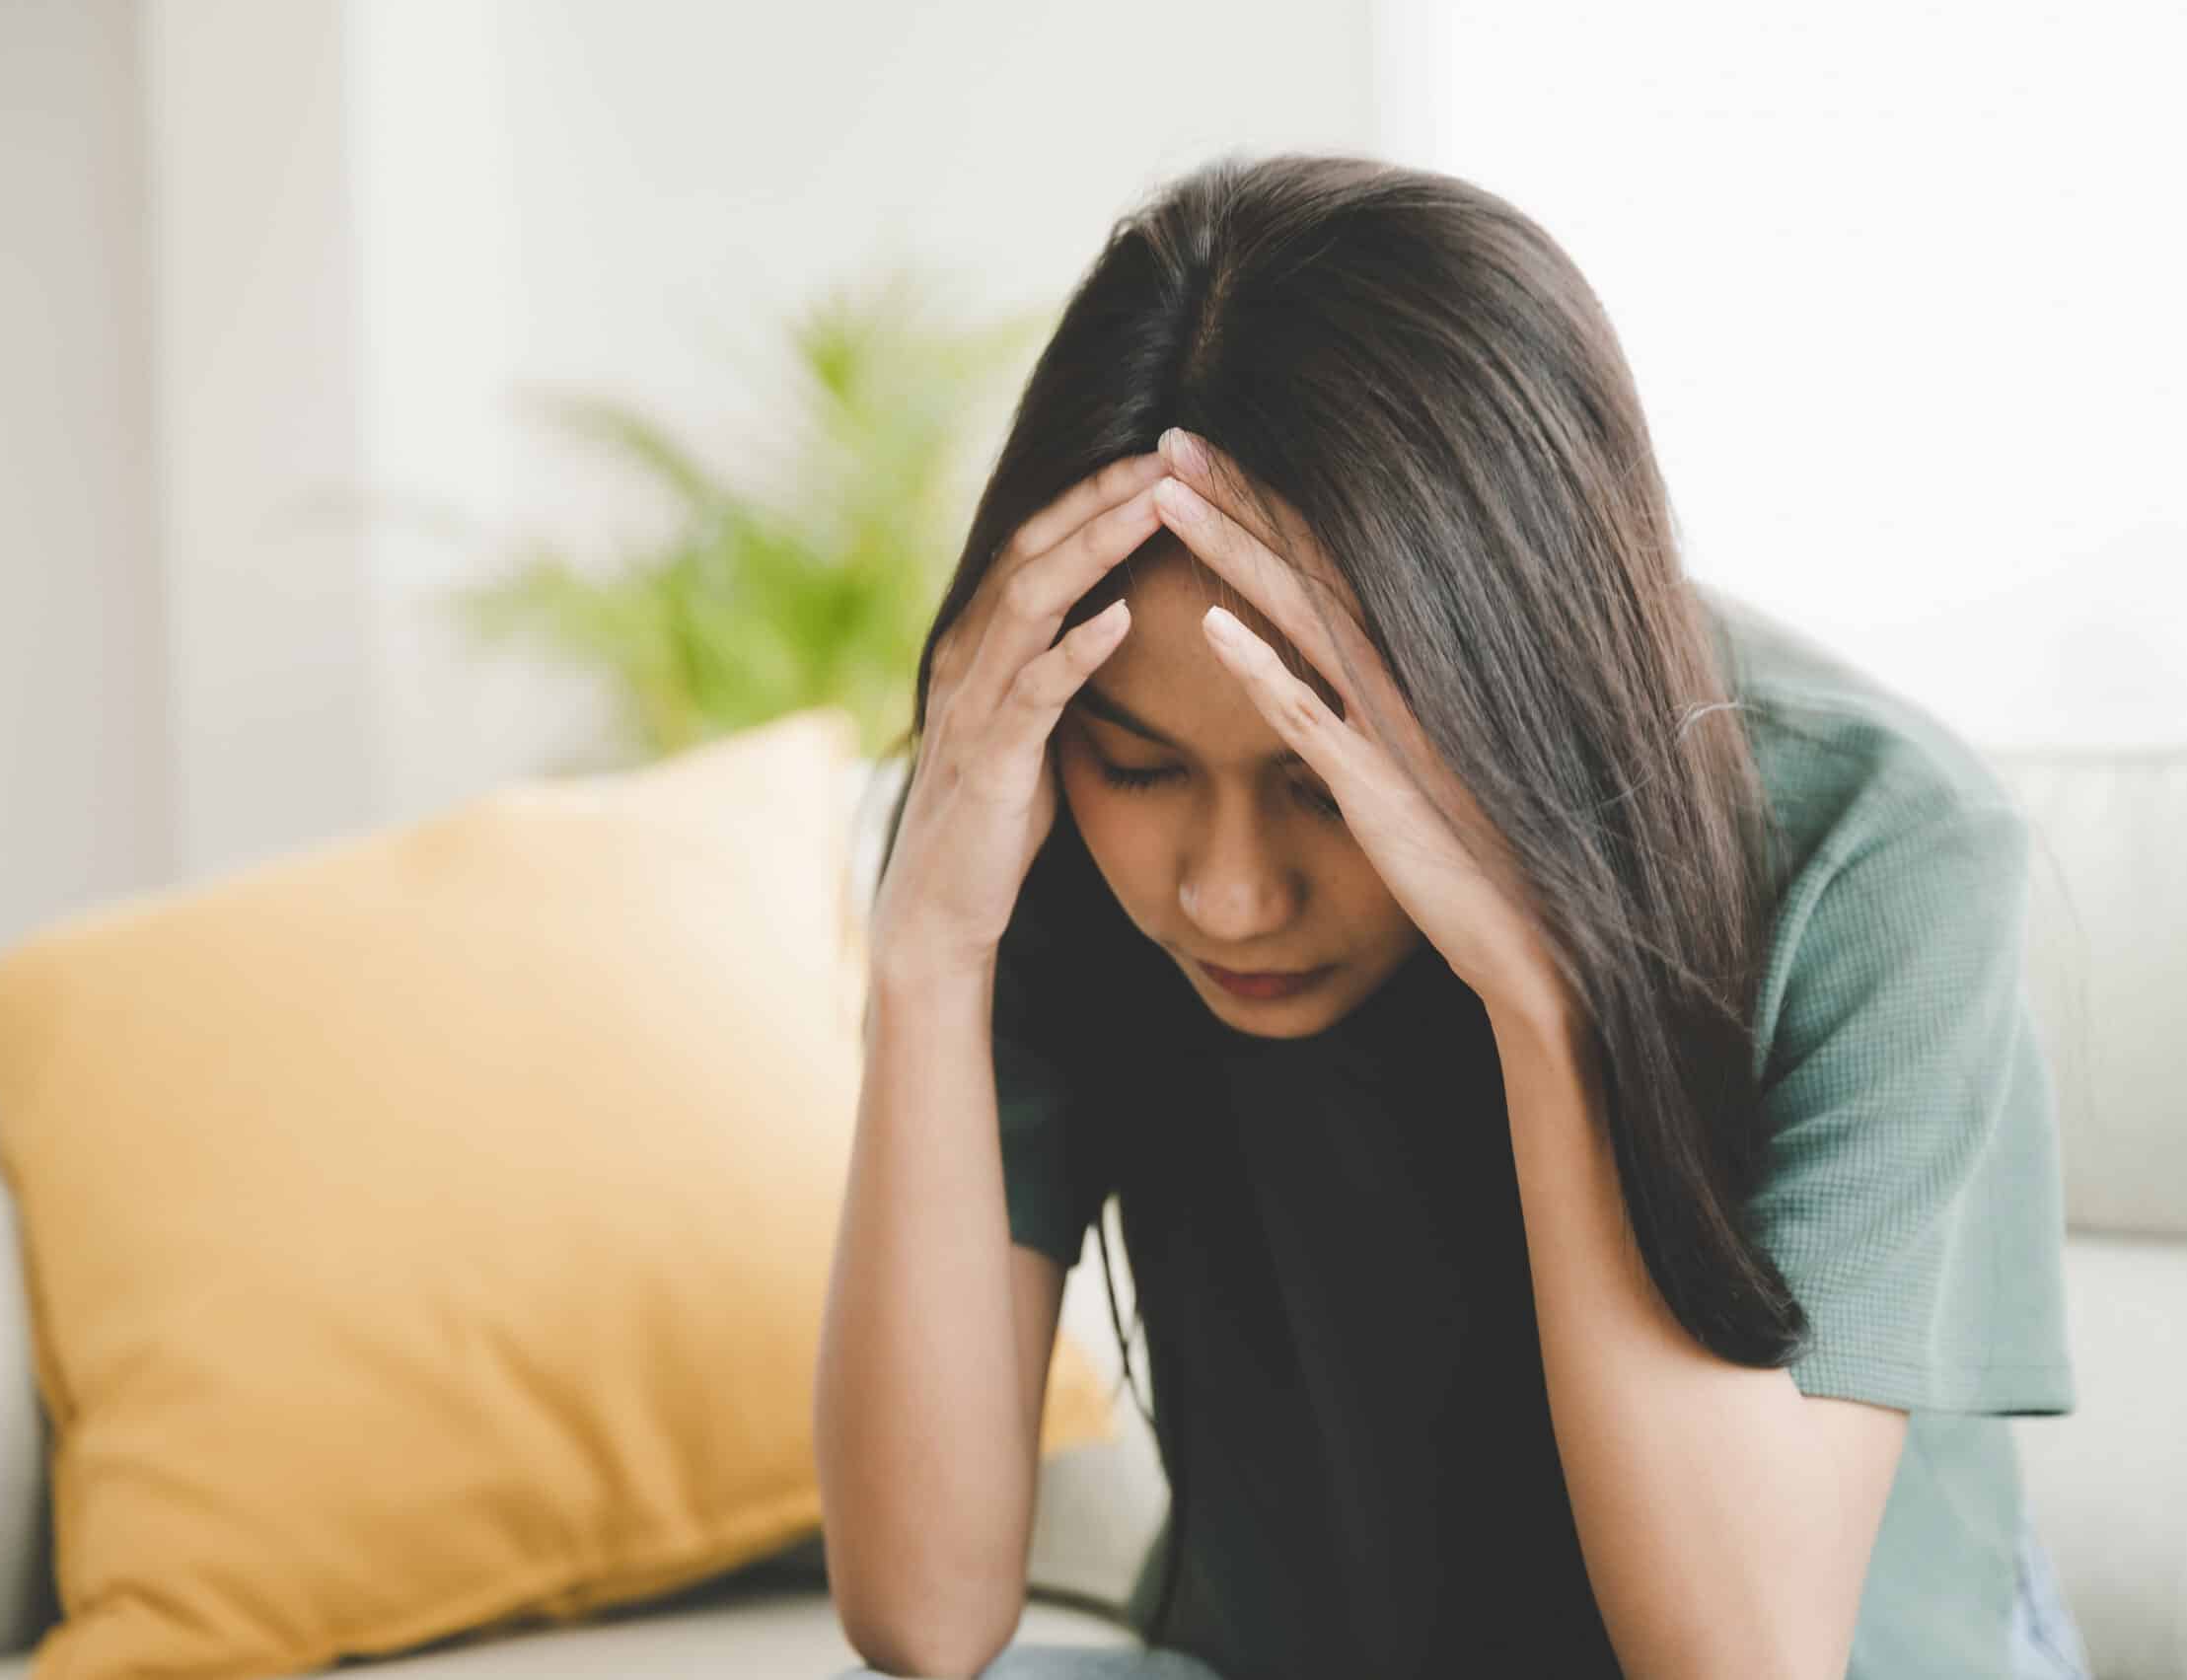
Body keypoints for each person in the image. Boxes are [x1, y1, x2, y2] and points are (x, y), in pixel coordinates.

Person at [813, 151, 2092, 1680]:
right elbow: (923, 1619)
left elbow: (1743, 1658)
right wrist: (928, 956)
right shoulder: (1026, 812)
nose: (1228, 894)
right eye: (1144, 768)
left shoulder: (1878, 846)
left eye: (1321, 780)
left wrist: (1542, 1005)